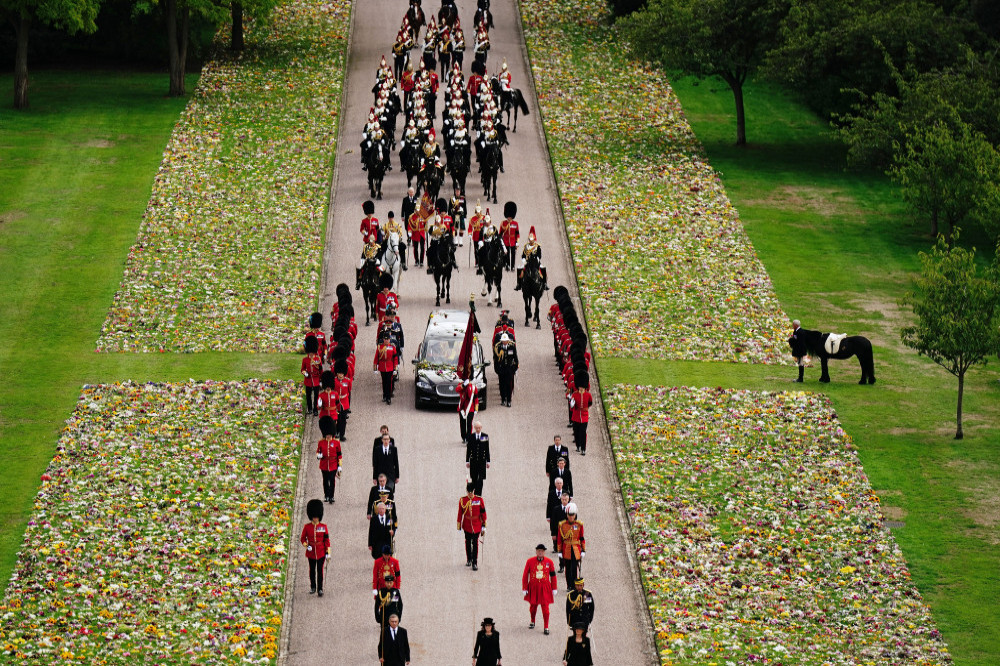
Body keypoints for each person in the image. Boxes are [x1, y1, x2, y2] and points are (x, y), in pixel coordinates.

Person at [522, 543, 558, 634]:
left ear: (544, 552)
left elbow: (553, 576)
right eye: (539, 551)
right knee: (533, 607)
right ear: (536, 551)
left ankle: (546, 626)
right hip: (534, 587)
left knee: (545, 608)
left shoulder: (549, 562)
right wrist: (525, 588)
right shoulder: (530, 561)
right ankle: (532, 621)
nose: (540, 552)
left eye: (542, 551)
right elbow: (525, 575)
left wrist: (554, 588)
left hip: (545, 587)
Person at [300, 499, 330, 596]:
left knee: (320, 571)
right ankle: (313, 586)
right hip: (311, 552)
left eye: (317, 517)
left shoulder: (323, 526)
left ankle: (320, 589)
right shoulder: (307, 527)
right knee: (312, 570)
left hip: (321, 551)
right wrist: (306, 546)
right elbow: (302, 539)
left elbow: (326, 540)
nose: (315, 519)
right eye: (314, 517)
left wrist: (328, 552)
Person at [457, 481, 487, 570]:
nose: (470, 494)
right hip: (467, 525)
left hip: (477, 525)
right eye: (468, 492)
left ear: (474, 491)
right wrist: (459, 524)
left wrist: (483, 527)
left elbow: (483, 514)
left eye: (471, 492)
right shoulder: (463, 500)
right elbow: (460, 513)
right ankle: (469, 559)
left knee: (475, 543)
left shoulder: (479, 500)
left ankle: (474, 562)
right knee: (468, 543)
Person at [557, 504, 585, 591]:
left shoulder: (579, 525)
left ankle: (574, 585)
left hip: (576, 549)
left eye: (572, 515)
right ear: (567, 515)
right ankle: (569, 585)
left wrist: (583, 550)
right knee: (568, 569)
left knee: (574, 568)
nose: (571, 517)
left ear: (575, 515)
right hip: (566, 549)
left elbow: (582, 538)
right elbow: (559, 539)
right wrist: (559, 551)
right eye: (569, 515)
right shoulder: (562, 525)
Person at [515, 226, 548, 291]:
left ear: (534, 239)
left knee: (543, 269)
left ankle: (545, 284)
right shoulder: (526, 246)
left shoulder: (537, 246)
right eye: (530, 240)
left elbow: (539, 255)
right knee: (519, 269)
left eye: (532, 240)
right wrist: (524, 261)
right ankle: (519, 284)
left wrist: (537, 260)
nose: (531, 241)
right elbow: (523, 255)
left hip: (536, 262)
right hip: (527, 262)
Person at [316, 429, 342, 503]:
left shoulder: (336, 442)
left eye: (329, 435)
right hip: (324, 464)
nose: (328, 436)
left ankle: (331, 496)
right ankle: (326, 495)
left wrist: (339, 465)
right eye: (327, 435)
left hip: (333, 464)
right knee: (325, 480)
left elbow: (339, 455)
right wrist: (319, 456)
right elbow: (317, 452)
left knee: (332, 480)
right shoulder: (321, 442)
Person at [465, 421, 490, 495]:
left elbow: (487, 449)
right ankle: (474, 493)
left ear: (481, 428)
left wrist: (488, 461)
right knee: (474, 478)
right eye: (477, 428)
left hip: (482, 461)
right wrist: (467, 461)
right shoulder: (471, 437)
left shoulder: (485, 436)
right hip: (473, 461)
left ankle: (479, 495)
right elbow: (468, 449)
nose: (478, 429)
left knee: (481, 479)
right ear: (475, 428)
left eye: (479, 428)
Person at [493, 333, 517, 407]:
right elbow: (496, 359)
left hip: (509, 369)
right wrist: (497, 370)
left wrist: (514, 369)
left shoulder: (512, 347)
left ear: (508, 341)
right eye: (503, 341)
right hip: (501, 369)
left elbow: (515, 358)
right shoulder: (498, 347)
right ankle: (503, 399)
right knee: (502, 385)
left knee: (508, 385)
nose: (504, 342)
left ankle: (509, 401)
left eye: (505, 341)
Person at [374, 332, 400, 404]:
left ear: (389, 339)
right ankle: (384, 396)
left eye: (387, 339)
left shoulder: (392, 347)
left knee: (389, 382)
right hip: (382, 366)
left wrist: (395, 368)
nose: (386, 341)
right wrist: (375, 367)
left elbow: (395, 358)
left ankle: (388, 397)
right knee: (384, 382)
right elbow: (376, 357)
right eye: (385, 339)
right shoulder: (380, 347)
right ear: (383, 339)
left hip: (390, 366)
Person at [569, 382, 594, 455]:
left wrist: (585, 409)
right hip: (576, 415)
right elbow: (571, 406)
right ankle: (578, 446)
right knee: (576, 432)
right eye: (580, 387)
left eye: (582, 387)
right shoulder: (574, 394)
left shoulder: (588, 395)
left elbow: (590, 403)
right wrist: (572, 405)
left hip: (584, 416)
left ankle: (583, 449)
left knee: (583, 432)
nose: (581, 388)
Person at [301, 336, 323, 416]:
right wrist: (305, 374)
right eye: (310, 352)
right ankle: (310, 408)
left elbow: (320, 369)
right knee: (308, 396)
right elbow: (302, 369)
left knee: (316, 396)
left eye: (312, 352)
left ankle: (315, 409)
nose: (311, 353)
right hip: (308, 380)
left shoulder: (317, 358)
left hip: (316, 379)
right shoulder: (305, 360)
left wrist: (321, 379)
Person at [548, 490, 571, 565]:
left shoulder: (571, 509)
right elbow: (553, 522)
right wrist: (553, 534)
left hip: (569, 533)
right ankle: (561, 565)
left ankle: (567, 563)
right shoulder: (556, 509)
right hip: (559, 533)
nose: (564, 501)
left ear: (568, 500)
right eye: (563, 499)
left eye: (566, 500)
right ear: (561, 500)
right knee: (560, 549)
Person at [333, 359, 352, 441]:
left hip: (344, 402)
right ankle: (336, 432)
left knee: (343, 419)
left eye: (341, 373)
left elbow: (349, 391)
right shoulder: (334, 381)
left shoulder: (347, 381)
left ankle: (342, 434)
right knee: (337, 418)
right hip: (336, 402)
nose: (340, 375)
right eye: (339, 373)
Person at [499, 202, 519, 271]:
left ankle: (512, 266)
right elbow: (500, 233)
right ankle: (507, 264)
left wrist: (517, 242)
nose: (509, 217)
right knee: (507, 254)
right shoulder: (503, 223)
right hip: (506, 240)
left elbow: (517, 233)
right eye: (508, 216)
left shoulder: (515, 223)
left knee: (513, 254)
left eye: (510, 216)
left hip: (513, 241)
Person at [457, 378, 479, 443]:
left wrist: (476, 409)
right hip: (462, 408)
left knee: (469, 423)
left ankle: (468, 438)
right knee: (462, 423)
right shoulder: (461, 384)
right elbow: (457, 389)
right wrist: (464, 385)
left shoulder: (473, 387)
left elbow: (476, 398)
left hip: (470, 408)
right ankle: (463, 437)